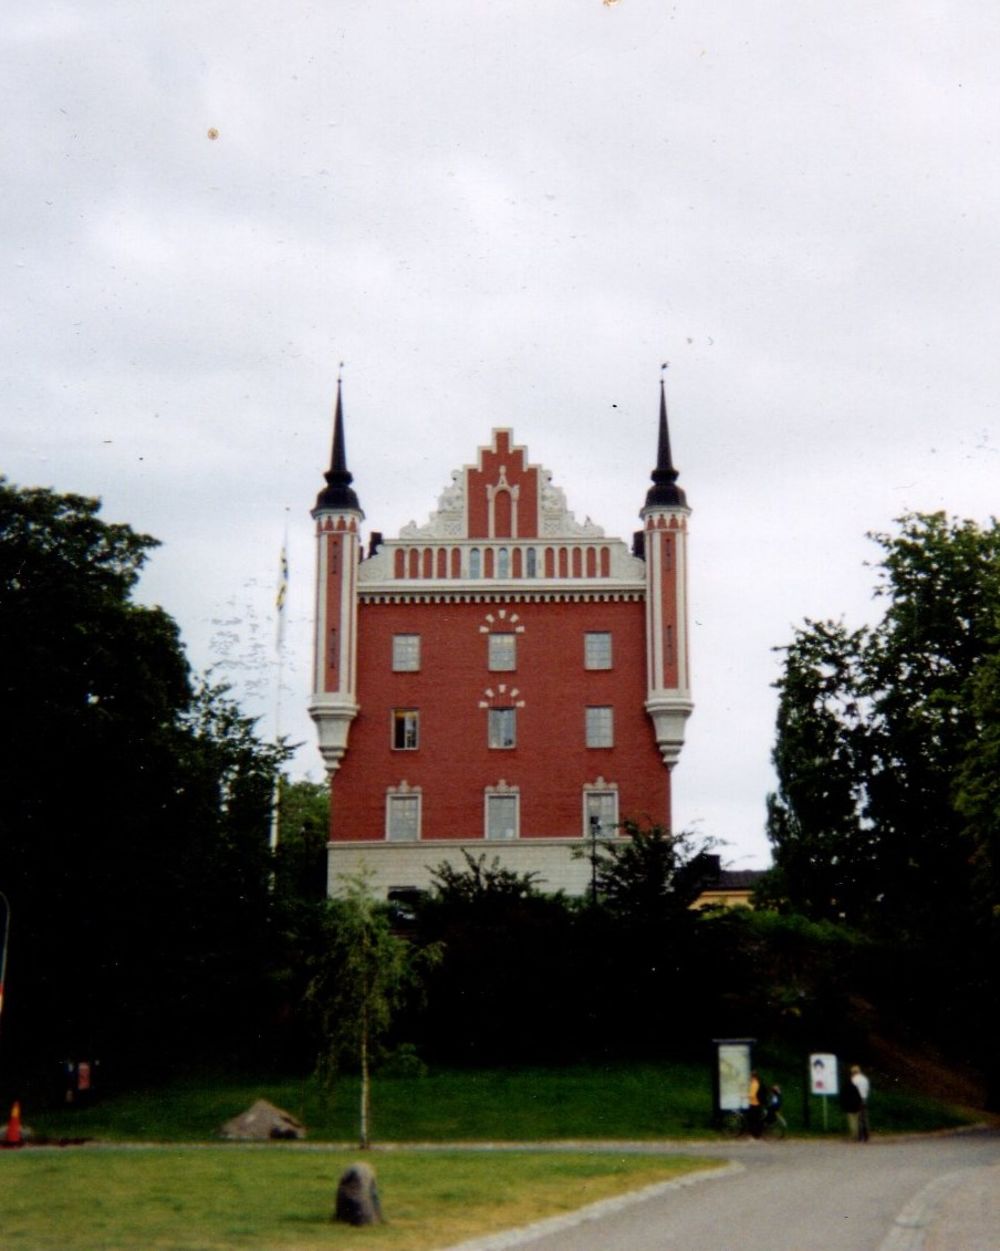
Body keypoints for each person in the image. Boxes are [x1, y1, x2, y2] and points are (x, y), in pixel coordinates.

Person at [851, 1065, 870, 1142]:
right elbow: (867, 1089)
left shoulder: (854, 1079)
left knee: (857, 1118)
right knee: (863, 1118)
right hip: (864, 1098)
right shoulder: (864, 1079)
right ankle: (866, 1136)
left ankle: (859, 1136)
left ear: (853, 1072)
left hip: (856, 1099)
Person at [747, 1069, 766, 1139]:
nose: (750, 1078)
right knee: (756, 1119)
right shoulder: (756, 1083)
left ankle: (756, 1135)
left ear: (753, 1077)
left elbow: (752, 1095)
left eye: (750, 1076)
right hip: (756, 1103)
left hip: (755, 1104)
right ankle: (756, 1134)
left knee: (754, 1119)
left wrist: (744, 1096)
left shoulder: (755, 1084)